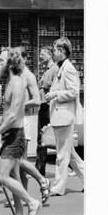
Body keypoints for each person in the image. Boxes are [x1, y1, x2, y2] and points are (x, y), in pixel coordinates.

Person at [0, 48, 41, 215]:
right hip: (11, 134)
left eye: (1, 60)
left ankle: (32, 203)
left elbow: (13, 116)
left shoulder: (16, 83)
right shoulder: (10, 82)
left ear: (9, 63)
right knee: (14, 176)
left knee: (2, 177)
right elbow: (6, 113)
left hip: (15, 136)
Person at [45, 37, 85, 196]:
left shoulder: (68, 68)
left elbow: (74, 91)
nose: (53, 53)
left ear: (62, 51)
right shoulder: (61, 67)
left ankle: (58, 187)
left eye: (55, 50)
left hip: (64, 116)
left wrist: (55, 94)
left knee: (62, 154)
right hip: (60, 116)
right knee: (70, 154)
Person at [17, 47, 51, 204]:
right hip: (18, 121)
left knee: (17, 160)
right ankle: (23, 195)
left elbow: (36, 100)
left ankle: (42, 180)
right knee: (18, 161)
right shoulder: (17, 75)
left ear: (23, 58)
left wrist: (20, 104)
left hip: (24, 121)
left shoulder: (27, 76)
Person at [35, 47, 59, 176]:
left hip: (47, 105)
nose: (40, 56)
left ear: (49, 55)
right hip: (43, 104)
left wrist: (42, 86)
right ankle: (40, 167)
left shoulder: (54, 69)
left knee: (44, 136)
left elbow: (48, 86)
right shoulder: (47, 70)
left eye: (42, 54)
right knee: (42, 136)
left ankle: (40, 167)